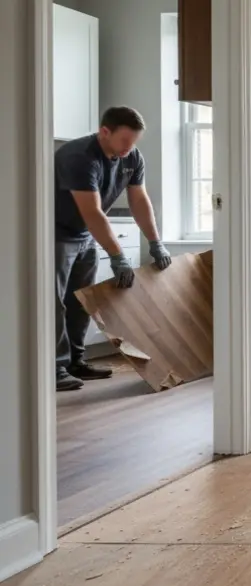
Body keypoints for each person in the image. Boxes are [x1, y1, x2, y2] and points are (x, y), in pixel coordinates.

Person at [54, 106, 174, 391]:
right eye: (124, 141)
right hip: (56, 233)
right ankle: (55, 368)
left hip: (85, 235)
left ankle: (75, 362)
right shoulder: (79, 157)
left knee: (81, 300)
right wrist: (118, 256)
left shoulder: (130, 156)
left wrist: (156, 243)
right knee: (54, 302)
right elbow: (92, 212)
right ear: (104, 132)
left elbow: (139, 201)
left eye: (134, 142)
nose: (129, 148)